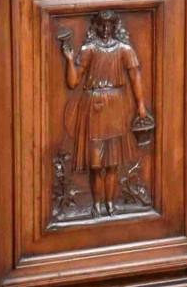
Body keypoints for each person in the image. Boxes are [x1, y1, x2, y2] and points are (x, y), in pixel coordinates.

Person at [60, 11, 149, 217]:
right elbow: (73, 82)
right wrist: (69, 59)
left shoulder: (125, 50)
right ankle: (97, 204)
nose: (106, 29)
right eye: (102, 25)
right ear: (95, 26)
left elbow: (135, 77)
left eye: (110, 25)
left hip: (116, 106)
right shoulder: (89, 50)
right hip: (94, 107)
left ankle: (110, 203)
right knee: (96, 164)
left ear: (115, 27)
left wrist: (141, 106)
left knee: (113, 163)